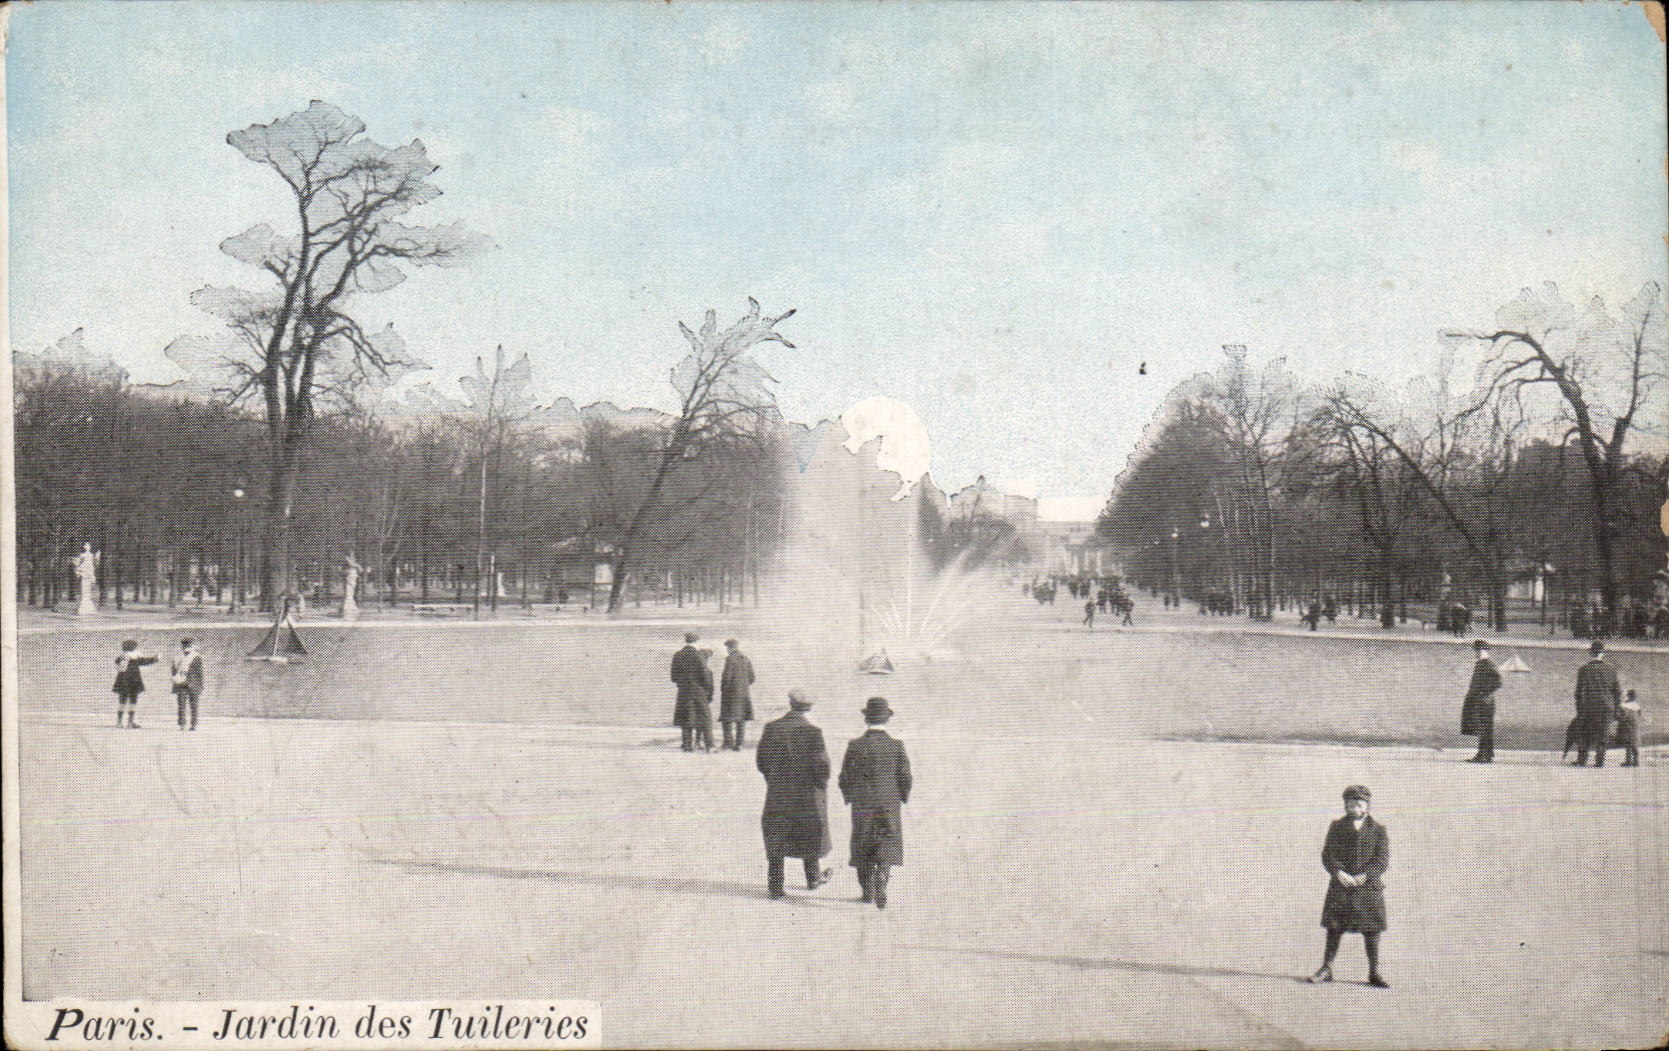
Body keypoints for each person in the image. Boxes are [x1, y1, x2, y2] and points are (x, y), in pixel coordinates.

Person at [1309, 785, 1389, 988]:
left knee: (1372, 930)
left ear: (1367, 807)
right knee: (1334, 927)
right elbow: (1328, 855)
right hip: (1341, 886)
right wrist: (1338, 872)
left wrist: (1366, 875)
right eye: (1350, 803)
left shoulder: (1378, 830)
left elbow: (1382, 860)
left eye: (1359, 803)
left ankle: (1374, 972)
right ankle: (1326, 968)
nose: (1354, 807)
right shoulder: (1336, 827)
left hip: (1368, 888)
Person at [755, 690, 833, 898]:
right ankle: (813, 877)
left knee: (777, 833)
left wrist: (774, 780)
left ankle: (776, 886)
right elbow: (823, 766)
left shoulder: (772, 728)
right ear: (808, 708)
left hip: (778, 792)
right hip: (807, 794)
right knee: (810, 830)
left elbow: (761, 761)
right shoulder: (813, 732)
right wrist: (819, 786)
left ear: (790, 704)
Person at [839, 696, 912, 909]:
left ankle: (867, 890)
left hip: (862, 802)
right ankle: (882, 876)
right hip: (888, 801)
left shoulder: (855, 745)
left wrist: (848, 795)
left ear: (866, 719)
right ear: (886, 720)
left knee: (863, 842)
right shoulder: (896, 746)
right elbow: (905, 776)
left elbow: (845, 776)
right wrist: (903, 796)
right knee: (887, 840)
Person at [1573, 639, 1621, 767]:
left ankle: (1582, 759)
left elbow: (1578, 693)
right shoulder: (1611, 669)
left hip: (1589, 706)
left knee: (1584, 731)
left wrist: (1579, 710)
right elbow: (1618, 692)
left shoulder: (1584, 669)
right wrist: (1616, 709)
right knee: (1603, 733)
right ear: (1602, 653)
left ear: (1590, 652)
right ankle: (1599, 760)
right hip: (1607, 707)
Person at [670, 632, 714, 753]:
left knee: (686, 718)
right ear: (697, 641)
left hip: (683, 691)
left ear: (686, 641)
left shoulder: (678, 655)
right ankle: (709, 746)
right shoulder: (698, 655)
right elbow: (705, 676)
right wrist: (705, 688)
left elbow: (673, 677)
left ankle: (687, 745)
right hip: (698, 691)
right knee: (705, 718)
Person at [1460, 639, 1502, 763]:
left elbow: (1498, 681)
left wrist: (1484, 693)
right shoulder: (1481, 663)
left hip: (1486, 702)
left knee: (1484, 728)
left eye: (1479, 651)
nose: (1477, 653)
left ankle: (1483, 755)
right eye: (1477, 651)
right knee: (1485, 728)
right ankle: (1487, 754)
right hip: (1483, 701)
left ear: (1484, 651)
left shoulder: (1486, 664)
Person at [719, 638, 756, 751]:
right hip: (744, 694)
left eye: (727, 648)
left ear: (729, 648)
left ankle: (728, 743)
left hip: (731, 694)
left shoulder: (730, 659)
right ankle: (739, 744)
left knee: (727, 719)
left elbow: (727, 678)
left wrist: (724, 689)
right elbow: (752, 678)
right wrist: (743, 685)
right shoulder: (746, 659)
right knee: (741, 719)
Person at [112, 639, 158, 729]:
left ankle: (119, 722)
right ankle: (130, 722)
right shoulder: (135, 657)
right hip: (133, 681)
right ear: (134, 648)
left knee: (122, 702)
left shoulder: (120, 657)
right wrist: (155, 658)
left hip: (121, 682)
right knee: (133, 702)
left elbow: (117, 664)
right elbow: (145, 661)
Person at [170, 637, 205, 730]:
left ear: (192, 646)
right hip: (181, 683)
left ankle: (194, 724)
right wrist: (175, 679)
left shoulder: (196, 657)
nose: (186, 647)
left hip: (193, 684)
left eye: (188, 645)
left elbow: (199, 672)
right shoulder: (178, 657)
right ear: (182, 646)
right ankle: (182, 724)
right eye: (185, 645)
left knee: (194, 705)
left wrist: (200, 685)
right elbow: (174, 670)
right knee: (181, 704)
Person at [1615, 689, 1642, 768]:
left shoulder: (1624, 705)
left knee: (1628, 744)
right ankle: (1636, 761)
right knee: (1634, 743)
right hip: (1635, 725)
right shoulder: (1637, 705)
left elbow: (1619, 715)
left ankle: (1628, 761)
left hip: (1626, 725)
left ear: (1628, 696)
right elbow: (1639, 714)